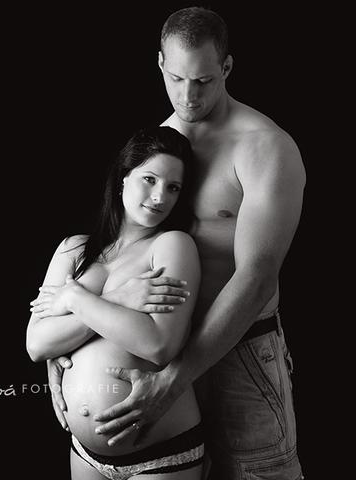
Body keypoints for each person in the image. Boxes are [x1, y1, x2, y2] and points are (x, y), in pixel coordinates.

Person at [45, 7, 305, 479]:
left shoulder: (264, 147)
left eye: (204, 81)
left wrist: (173, 379)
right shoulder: (158, 147)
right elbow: (118, 250)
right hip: (156, 351)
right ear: (160, 63)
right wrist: (65, 348)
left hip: (237, 353)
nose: (188, 96)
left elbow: (257, 275)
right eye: (177, 78)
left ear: (227, 67)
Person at [27, 125, 204, 479]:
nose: (160, 197)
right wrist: (118, 298)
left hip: (160, 455)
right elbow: (37, 344)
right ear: (123, 178)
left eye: (173, 187)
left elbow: (158, 345)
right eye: (149, 179)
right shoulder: (73, 249)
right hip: (85, 455)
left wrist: (74, 297)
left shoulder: (171, 246)